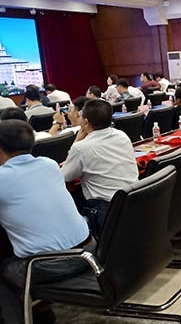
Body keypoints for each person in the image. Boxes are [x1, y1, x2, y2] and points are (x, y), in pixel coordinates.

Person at [0, 119, 95, 324]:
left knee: (4, 270)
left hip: (51, 265)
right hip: (89, 251)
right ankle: (40, 308)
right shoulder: (49, 164)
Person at [61, 99, 138, 237]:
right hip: (132, 200)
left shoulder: (81, 148)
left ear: (86, 122)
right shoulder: (122, 135)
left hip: (105, 209)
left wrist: (76, 141)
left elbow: (64, 176)